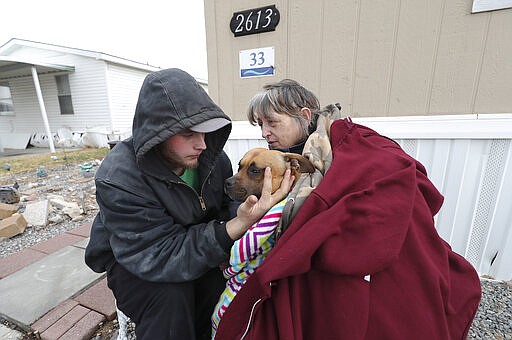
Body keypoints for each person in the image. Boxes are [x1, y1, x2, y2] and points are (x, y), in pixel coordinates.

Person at [213, 79, 482, 340]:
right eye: (260, 124)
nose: (264, 132)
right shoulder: (280, 157)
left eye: (272, 122)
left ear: (305, 116)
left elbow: (387, 181)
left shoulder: (347, 142)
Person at [84, 68, 292, 340]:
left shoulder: (214, 160)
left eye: (205, 131)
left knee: (222, 287)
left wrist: (245, 215)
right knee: (170, 298)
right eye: (187, 133)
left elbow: (224, 205)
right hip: (135, 259)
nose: (202, 144)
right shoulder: (120, 179)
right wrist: (238, 224)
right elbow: (156, 253)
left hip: (192, 244)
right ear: (156, 132)